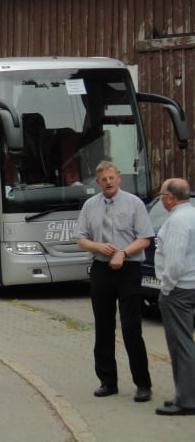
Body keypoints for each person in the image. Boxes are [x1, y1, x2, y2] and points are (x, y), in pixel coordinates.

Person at [75, 160, 154, 402]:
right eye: (103, 179)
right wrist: (97, 246)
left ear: (119, 178)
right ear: (97, 182)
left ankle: (142, 384)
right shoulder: (90, 205)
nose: (108, 183)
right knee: (103, 326)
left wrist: (123, 252)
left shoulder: (134, 203)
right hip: (101, 269)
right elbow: (80, 238)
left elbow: (145, 238)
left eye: (112, 178)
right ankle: (107, 381)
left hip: (128, 268)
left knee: (131, 327)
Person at [154, 177, 195, 415]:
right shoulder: (191, 214)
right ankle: (184, 393)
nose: (160, 199)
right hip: (189, 285)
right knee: (184, 344)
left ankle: (187, 400)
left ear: (170, 198)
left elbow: (175, 260)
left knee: (181, 345)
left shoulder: (178, 221)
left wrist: (166, 288)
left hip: (179, 289)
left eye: (161, 195)